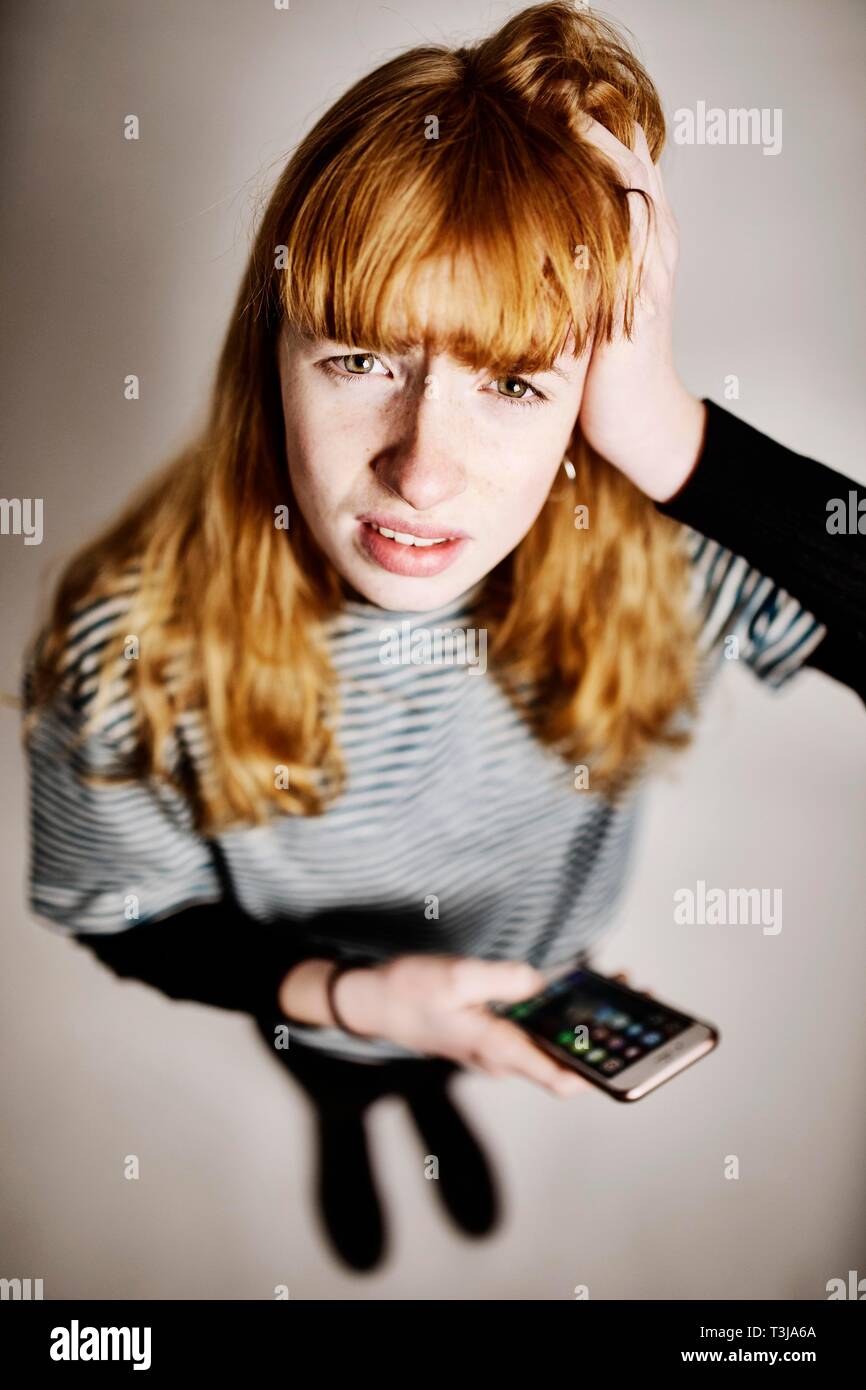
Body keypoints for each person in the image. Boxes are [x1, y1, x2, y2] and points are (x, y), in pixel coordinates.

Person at [18, 2, 865, 1272]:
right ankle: (362, 1115)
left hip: (538, 975)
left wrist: (679, 447)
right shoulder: (132, 646)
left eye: (514, 382)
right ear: (276, 352)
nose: (422, 473)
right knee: (351, 1081)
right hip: (325, 1012)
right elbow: (126, 914)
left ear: (588, 395)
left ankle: (432, 1096)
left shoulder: (668, 551)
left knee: (455, 1065)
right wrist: (355, 1000)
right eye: (362, 358)